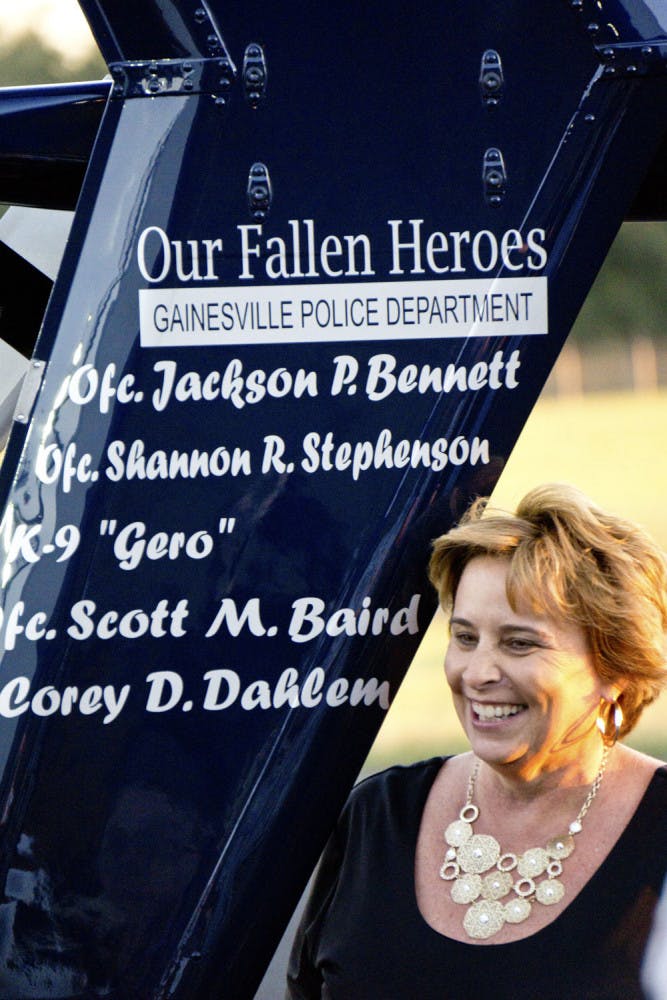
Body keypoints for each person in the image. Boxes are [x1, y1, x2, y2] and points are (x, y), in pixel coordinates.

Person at [286, 484, 667, 999]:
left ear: (615, 667)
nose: (478, 672)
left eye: (519, 642)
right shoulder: (377, 815)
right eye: (465, 637)